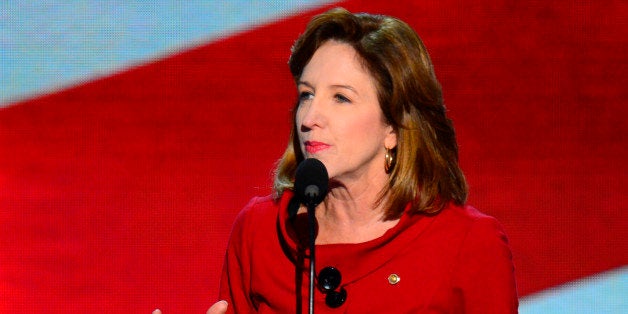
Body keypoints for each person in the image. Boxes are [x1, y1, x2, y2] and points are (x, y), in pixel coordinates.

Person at [209, 7, 518, 313]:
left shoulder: (470, 244)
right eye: (306, 94)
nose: (310, 118)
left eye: (341, 97)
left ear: (394, 126)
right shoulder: (259, 231)